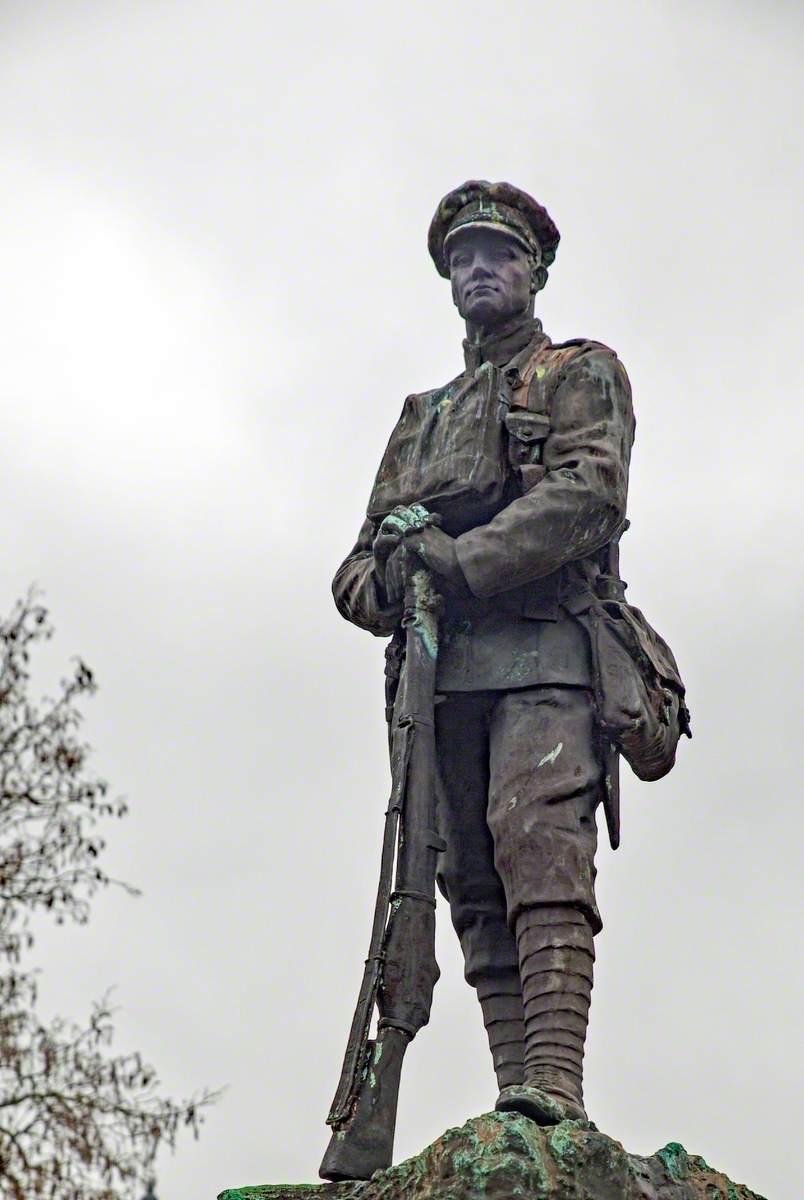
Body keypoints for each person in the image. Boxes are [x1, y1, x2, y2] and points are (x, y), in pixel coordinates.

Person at [332, 180, 677, 1125]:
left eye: (499, 254)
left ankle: (554, 1082)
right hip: (442, 684)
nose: (480, 270)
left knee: (539, 853)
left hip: (548, 659)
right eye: (463, 258)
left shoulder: (579, 373)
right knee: (469, 882)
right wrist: (400, 577)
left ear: (536, 270)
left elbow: (589, 495)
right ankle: (514, 1088)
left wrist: (462, 558)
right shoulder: (423, 417)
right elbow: (355, 573)